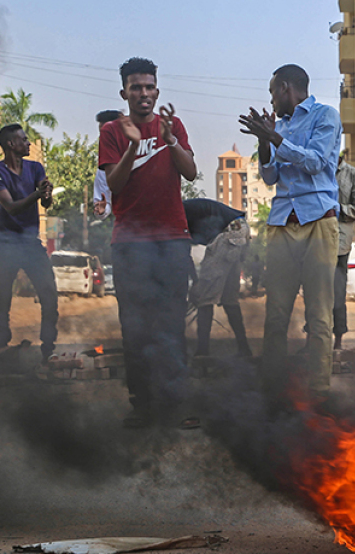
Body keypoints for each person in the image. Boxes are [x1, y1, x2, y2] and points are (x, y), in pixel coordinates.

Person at [99, 57, 198, 429]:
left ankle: (175, 404)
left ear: (157, 90)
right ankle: (143, 406)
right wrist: (132, 146)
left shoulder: (173, 126)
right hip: (130, 244)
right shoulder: (112, 130)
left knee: (171, 325)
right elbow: (114, 185)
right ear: (124, 92)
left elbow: (189, 172)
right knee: (136, 327)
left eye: (149, 87)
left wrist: (170, 140)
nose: (143, 94)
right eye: (136, 87)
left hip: (172, 240)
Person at [238, 64, 341, 393]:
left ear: (285, 88)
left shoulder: (325, 115)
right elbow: (269, 178)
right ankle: (273, 389)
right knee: (276, 314)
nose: (271, 99)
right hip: (282, 222)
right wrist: (264, 141)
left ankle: (320, 390)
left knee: (320, 314)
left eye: (272, 92)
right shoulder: (277, 126)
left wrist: (274, 137)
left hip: (319, 222)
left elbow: (315, 162)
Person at [0, 124, 58, 361]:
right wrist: (38, 195)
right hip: (3, 242)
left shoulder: (35, 167)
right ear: (10, 144)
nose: (29, 144)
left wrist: (46, 194)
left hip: (29, 241)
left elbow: (45, 205)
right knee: (2, 298)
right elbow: (11, 207)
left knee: (48, 292)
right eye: (24, 140)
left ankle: (48, 345)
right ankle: (0, 347)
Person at [183, 198, 251, 358]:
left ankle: (202, 350)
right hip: (240, 228)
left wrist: (196, 283)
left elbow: (183, 254)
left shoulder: (176, 215)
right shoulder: (183, 209)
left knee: (205, 299)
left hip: (231, 230)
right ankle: (244, 348)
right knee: (229, 298)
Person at [333, 151, 355, 350]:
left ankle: (337, 342)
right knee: (315, 294)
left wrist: (336, 208)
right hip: (317, 242)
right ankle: (313, 340)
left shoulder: (352, 174)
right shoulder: (317, 170)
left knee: (337, 294)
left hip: (339, 244)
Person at [92, 109, 123, 220]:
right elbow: (104, 203)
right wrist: (102, 210)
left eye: (108, 133)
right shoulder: (103, 170)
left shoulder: (142, 151)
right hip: (128, 227)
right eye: (102, 135)